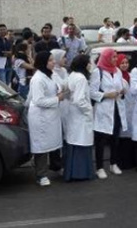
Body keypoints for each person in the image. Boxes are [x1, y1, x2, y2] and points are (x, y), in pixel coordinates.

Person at [27, 51, 65, 186]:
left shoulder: (51, 74)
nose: (53, 62)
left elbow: (61, 84)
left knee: (54, 142)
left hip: (52, 115)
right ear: (43, 63)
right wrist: (57, 98)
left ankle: (56, 166)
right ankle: (41, 174)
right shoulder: (38, 79)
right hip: (40, 116)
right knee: (42, 146)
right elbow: (38, 100)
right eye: (50, 60)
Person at [90, 49, 128, 179]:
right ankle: (99, 167)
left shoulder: (117, 71)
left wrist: (122, 90)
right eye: (113, 57)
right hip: (103, 109)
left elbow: (121, 85)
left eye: (116, 57)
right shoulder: (97, 72)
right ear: (106, 58)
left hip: (116, 108)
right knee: (101, 139)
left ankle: (113, 163)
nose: (115, 60)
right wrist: (106, 95)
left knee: (115, 138)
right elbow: (92, 92)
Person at [63, 54, 95, 182]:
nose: (90, 65)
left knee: (74, 142)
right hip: (80, 115)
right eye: (88, 62)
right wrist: (89, 110)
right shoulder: (81, 78)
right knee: (81, 143)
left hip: (73, 115)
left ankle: (72, 173)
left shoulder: (72, 75)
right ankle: (81, 173)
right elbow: (79, 100)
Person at [50, 49, 70, 137]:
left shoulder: (64, 71)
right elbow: (60, 87)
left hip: (66, 103)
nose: (65, 59)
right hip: (57, 103)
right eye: (63, 57)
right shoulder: (51, 72)